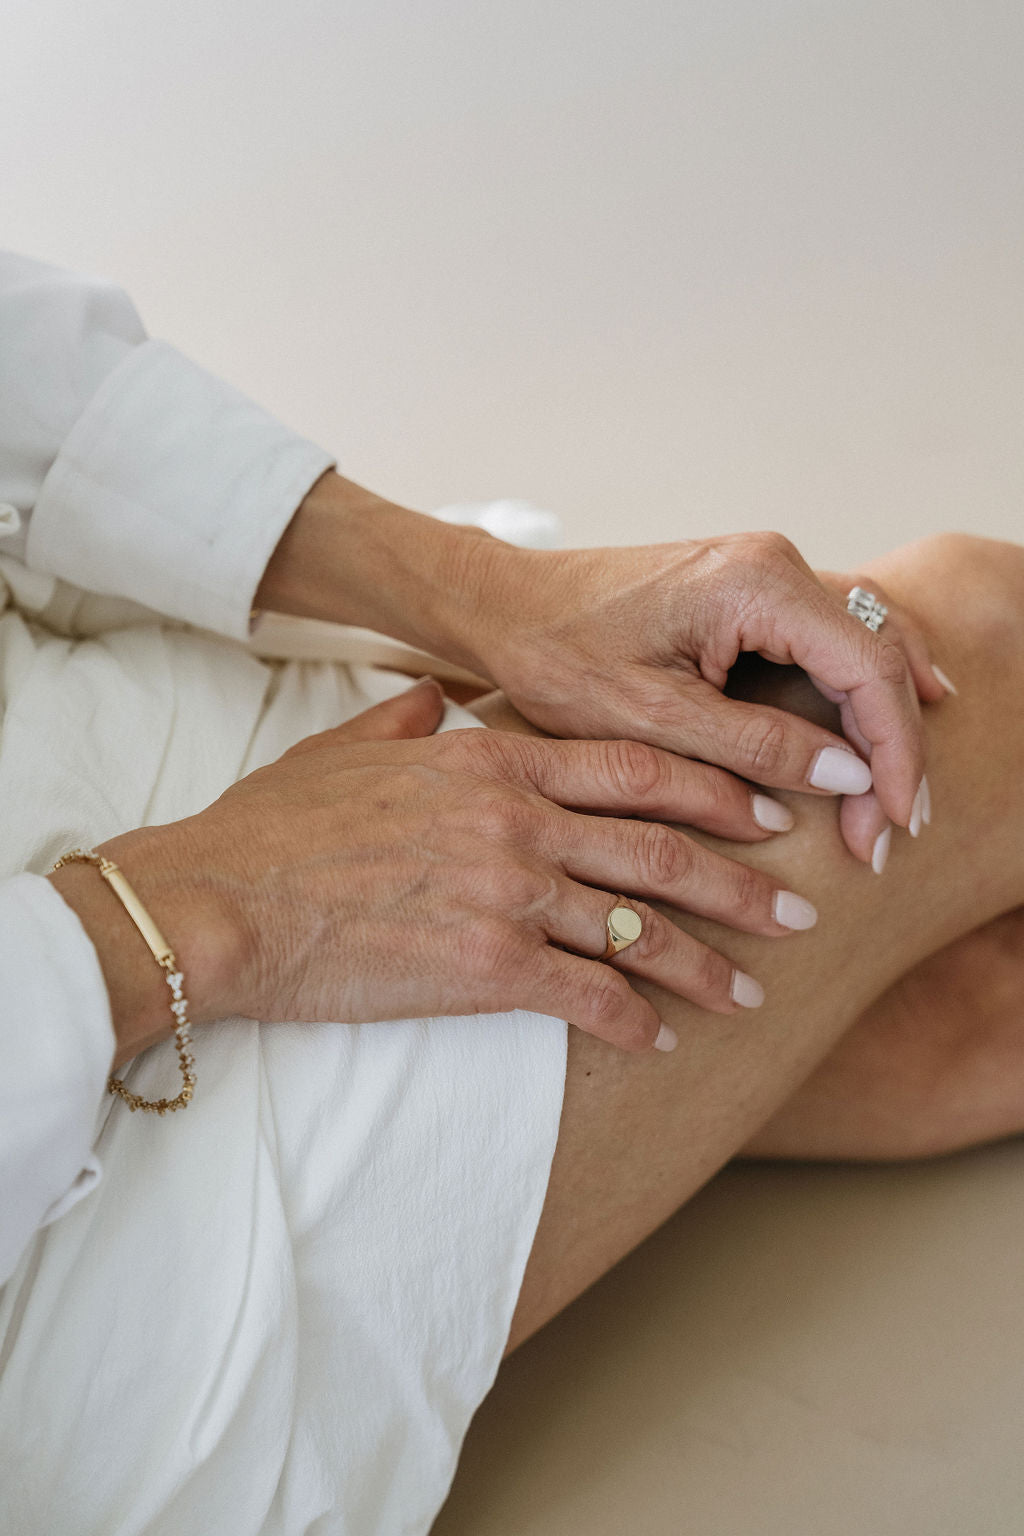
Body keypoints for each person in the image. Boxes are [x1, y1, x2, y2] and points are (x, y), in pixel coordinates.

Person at [0, 250, 1014, 1535]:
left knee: (947, 1010)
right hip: (62, 1172)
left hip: (71, 679)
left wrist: (483, 595)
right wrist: (198, 907)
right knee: (974, 655)